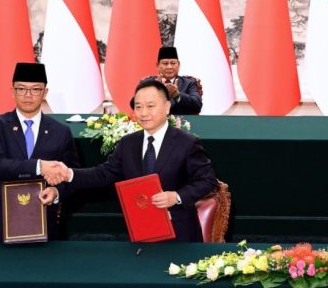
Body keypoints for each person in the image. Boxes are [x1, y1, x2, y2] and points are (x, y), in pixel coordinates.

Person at [44, 79, 217, 242]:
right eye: (138, 106)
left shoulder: (187, 143)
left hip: (179, 235)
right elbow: (103, 174)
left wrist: (177, 196)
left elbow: (207, 180)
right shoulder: (128, 143)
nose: (143, 113)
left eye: (150, 106)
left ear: (166, 107)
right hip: (139, 232)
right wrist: (69, 174)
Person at [0, 62, 80, 241]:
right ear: (13, 91)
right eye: (21, 89)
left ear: (45, 93)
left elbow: (72, 176)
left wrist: (56, 192)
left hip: (42, 217)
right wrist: (39, 166)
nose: (28, 95)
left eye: (35, 89)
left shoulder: (61, 132)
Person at [143, 46, 202, 115]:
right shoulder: (147, 82)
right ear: (157, 66)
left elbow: (197, 105)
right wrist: (153, 90)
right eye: (165, 63)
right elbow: (134, 103)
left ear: (179, 65)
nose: (169, 67)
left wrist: (177, 95)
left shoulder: (189, 83)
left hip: (181, 124)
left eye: (173, 63)